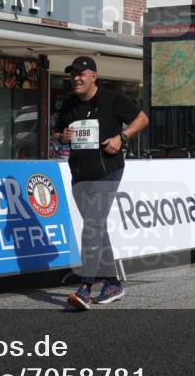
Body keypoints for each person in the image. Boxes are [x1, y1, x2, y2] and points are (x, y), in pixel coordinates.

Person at [54, 56, 148, 310]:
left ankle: (85, 287)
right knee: (97, 225)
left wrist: (122, 137)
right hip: (80, 175)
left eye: (81, 74)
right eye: (73, 74)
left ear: (93, 76)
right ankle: (113, 283)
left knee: (93, 224)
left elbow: (142, 119)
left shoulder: (112, 98)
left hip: (108, 171)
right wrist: (62, 136)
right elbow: (56, 133)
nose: (76, 78)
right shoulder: (69, 104)